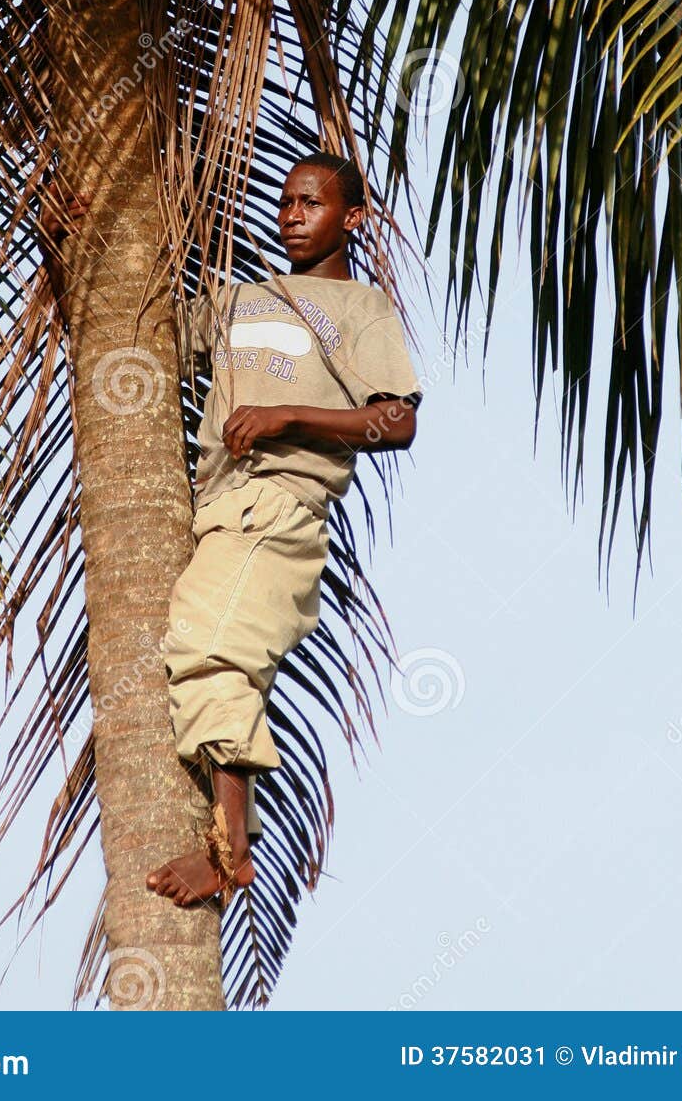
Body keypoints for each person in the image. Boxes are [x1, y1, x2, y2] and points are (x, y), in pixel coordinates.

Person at [145, 150, 423, 910]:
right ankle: (228, 839)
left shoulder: (362, 310)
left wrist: (287, 415)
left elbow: (396, 421)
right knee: (208, 654)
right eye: (285, 202)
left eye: (311, 203)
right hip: (216, 512)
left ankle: (230, 853)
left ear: (351, 218)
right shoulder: (238, 300)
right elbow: (143, 333)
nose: (292, 215)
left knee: (209, 647)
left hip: (278, 510)